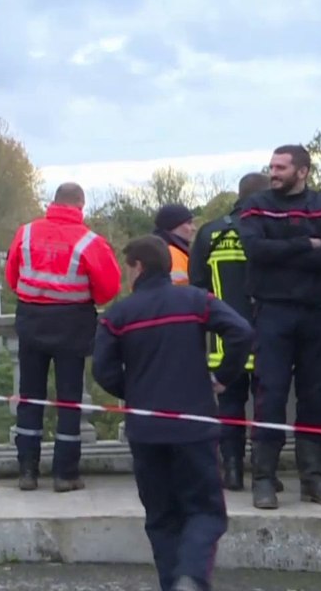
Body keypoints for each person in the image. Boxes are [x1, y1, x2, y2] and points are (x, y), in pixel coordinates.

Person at [93, 235, 254, 591]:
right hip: (194, 426)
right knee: (205, 510)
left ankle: (173, 583)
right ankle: (191, 577)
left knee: (162, 517)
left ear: (138, 267)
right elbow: (241, 330)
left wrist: (132, 390)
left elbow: (102, 371)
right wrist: (222, 376)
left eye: (127, 267)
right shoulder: (195, 301)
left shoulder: (119, 314)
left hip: (146, 431)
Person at [237, 144, 321, 509]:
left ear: (302, 171)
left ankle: (314, 478)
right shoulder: (257, 205)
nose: (273, 172)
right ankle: (264, 480)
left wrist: (283, 249)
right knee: (271, 394)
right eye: (271, 166)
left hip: (320, 312)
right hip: (273, 312)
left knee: (316, 396)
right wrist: (305, 244)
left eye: (281, 167)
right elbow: (255, 250)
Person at [4, 182, 122, 492]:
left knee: (30, 396)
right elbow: (108, 288)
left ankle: (27, 471)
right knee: (70, 399)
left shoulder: (26, 233)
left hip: (31, 320)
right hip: (72, 323)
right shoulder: (90, 241)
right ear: (80, 206)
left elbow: (12, 277)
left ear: (53, 202)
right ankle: (65, 474)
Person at [187, 172, 269, 491]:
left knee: (230, 405)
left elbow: (197, 287)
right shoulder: (270, 231)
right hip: (268, 336)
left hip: (224, 340)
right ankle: (266, 472)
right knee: (266, 405)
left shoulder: (210, 232)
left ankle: (232, 471)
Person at [153, 203, 195, 286]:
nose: (194, 228)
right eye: (189, 223)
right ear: (173, 226)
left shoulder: (154, 249)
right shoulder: (172, 253)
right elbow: (182, 293)